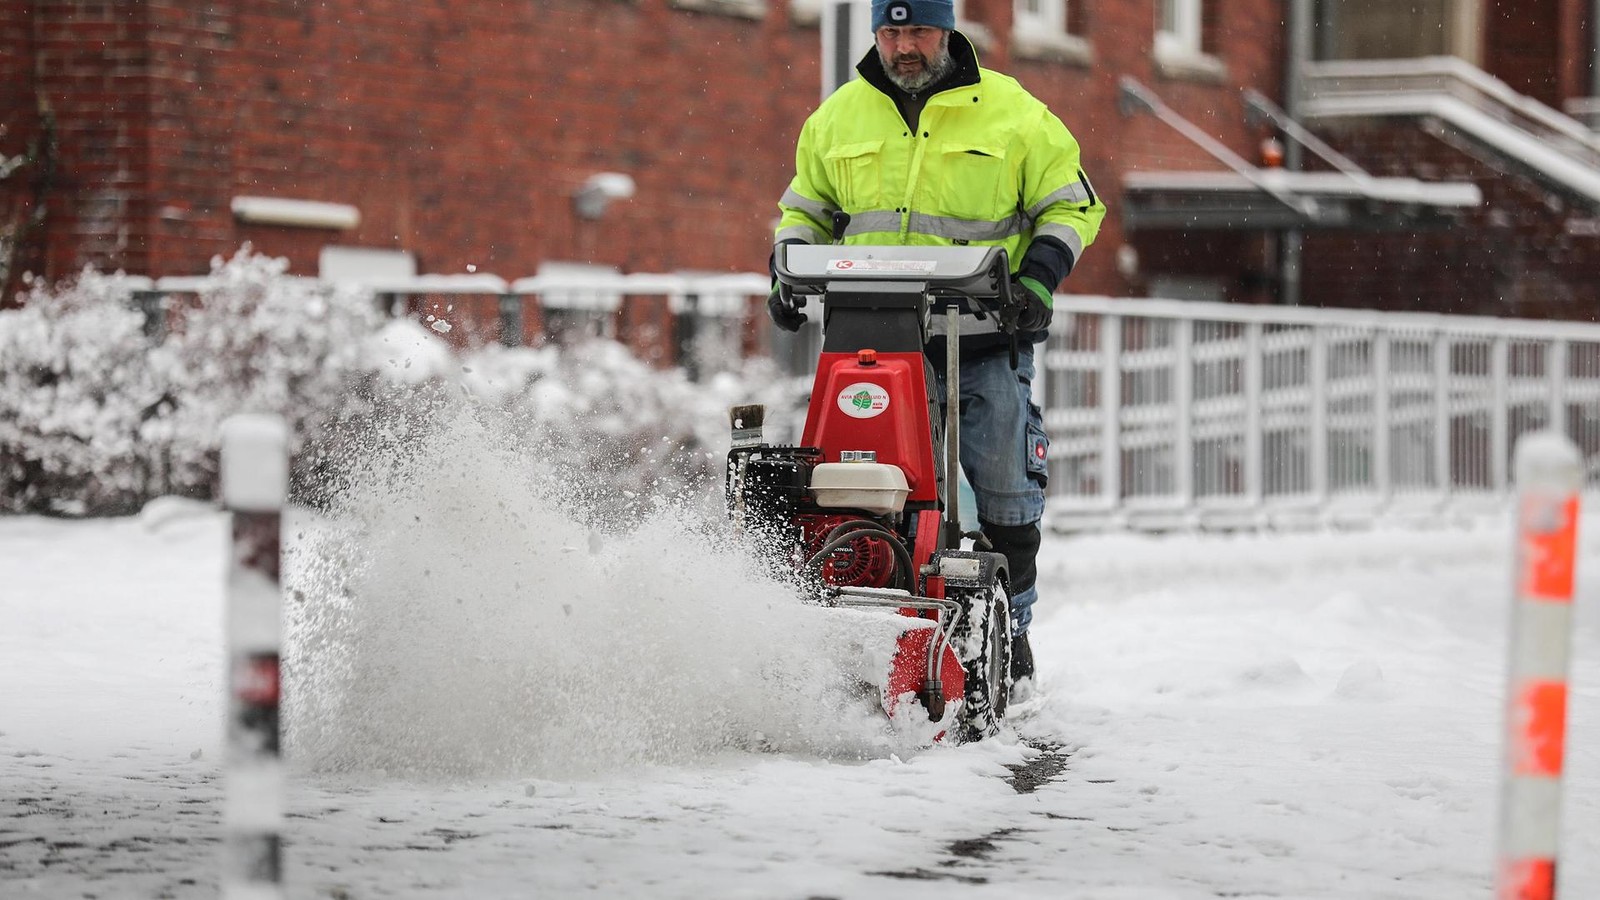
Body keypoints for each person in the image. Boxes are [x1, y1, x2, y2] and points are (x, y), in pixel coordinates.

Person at [767, 0, 1104, 702]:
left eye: (916, 31)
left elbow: (1071, 206)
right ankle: (881, 617)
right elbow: (805, 210)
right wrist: (787, 266)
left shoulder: (1012, 112)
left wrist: (1039, 278)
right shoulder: (839, 117)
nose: (903, 47)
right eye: (890, 33)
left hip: (984, 335)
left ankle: (1012, 626)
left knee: (1006, 484)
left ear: (947, 31)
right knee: (869, 488)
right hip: (878, 345)